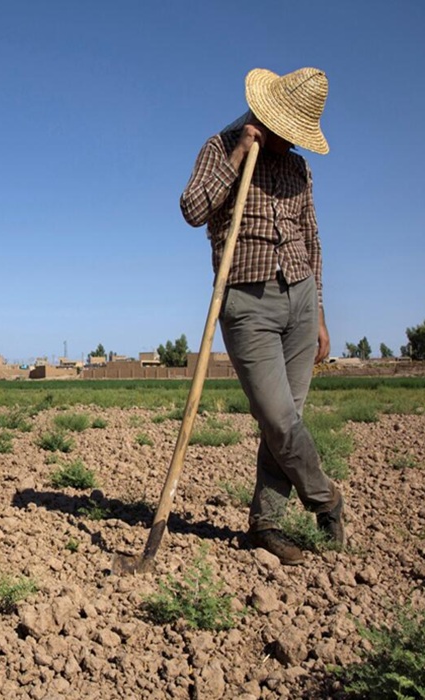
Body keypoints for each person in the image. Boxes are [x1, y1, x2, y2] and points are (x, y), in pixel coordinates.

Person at [180, 67, 344, 565]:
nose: (286, 142)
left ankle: (266, 523)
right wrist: (236, 157)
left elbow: (311, 240)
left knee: (289, 420)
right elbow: (193, 209)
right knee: (276, 418)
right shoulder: (219, 146)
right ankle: (326, 499)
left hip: (300, 296)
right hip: (245, 301)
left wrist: (318, 312)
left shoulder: (297, 169)